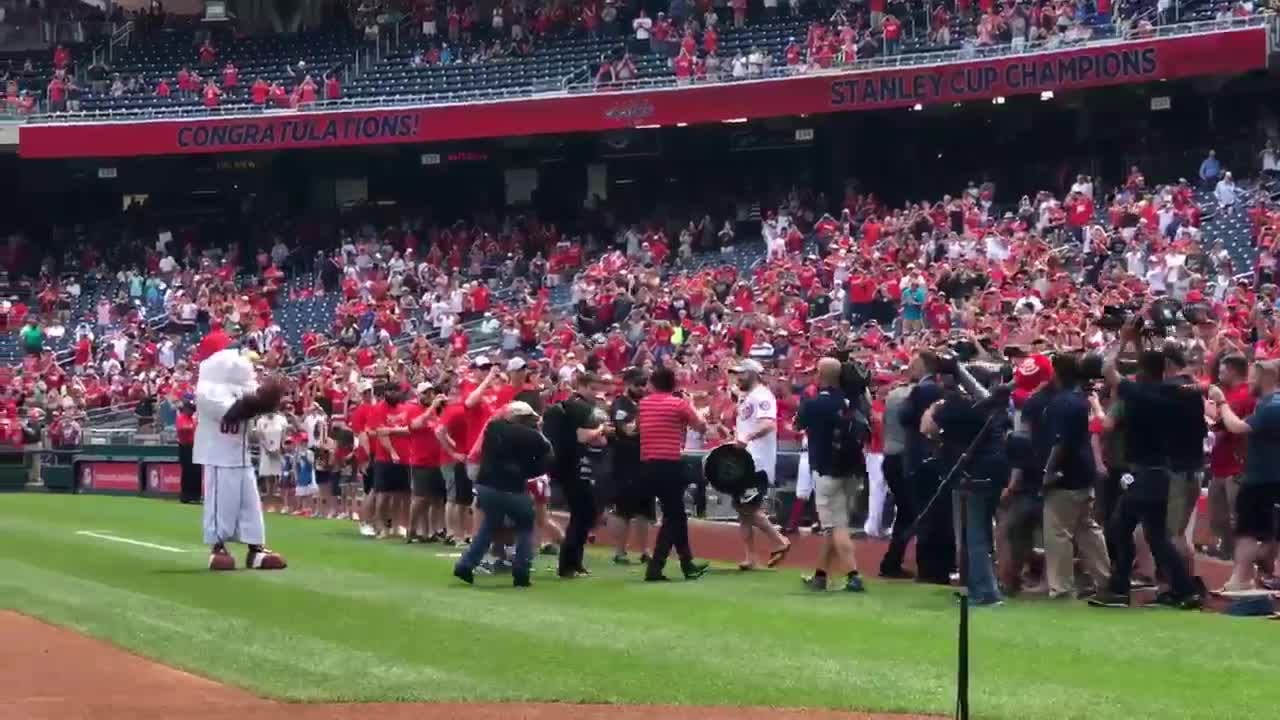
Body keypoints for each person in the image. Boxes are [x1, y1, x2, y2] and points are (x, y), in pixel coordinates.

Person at [1092, 322, 1199, 609]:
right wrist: (1139, 345)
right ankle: (1183, 589)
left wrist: (1123, 339)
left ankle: (1118, 590)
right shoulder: (1169, 392)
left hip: (1144, 474)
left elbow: (1107, 370)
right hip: (1160, 473)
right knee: (1156, 536)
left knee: (1119, 527)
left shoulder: (1138, 394)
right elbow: (1150, 370)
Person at [920, 356, 1008, 607]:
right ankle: (981, 587)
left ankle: (987, 593)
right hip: (994, 472)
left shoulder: (956, 407)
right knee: (981, 535)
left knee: (975, 537)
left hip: (972, 473)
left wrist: (936, 405)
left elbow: (927, 428)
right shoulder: (994, 406)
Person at [194, 349, 287, 571]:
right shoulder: (207, 390)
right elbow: (234, 411)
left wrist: (271, 396)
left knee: (251, 506)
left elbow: (259, 403)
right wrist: (263, 399)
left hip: (241, 454)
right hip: (219, 455)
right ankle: (218, 548)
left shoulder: (242, 386)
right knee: (220, 506)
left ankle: (256, 550)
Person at [453, 401, 551, 588]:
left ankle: (465, 564)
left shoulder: (493, 428)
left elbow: (492, 425)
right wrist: (530, 471)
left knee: (489, 526)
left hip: (487, 486)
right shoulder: (534, 437)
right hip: (514, 488)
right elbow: (548, 456)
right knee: (525, 527)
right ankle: (521, 572)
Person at [1036, 353, 1110, 599]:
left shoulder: (1062, 402)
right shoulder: (1079, 399)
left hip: (1065, 474)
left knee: (1058, 533)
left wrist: (1048, 472)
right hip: (1083, 471)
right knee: (1087, 528)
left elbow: (1060, 443)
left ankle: (1062, 588)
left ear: (1057, 373)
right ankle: (1106, 580)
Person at [1209, 359, 1280, 593]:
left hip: (1262, 478)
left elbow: (1237, 426)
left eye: (1253, 376)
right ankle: (1259, 571)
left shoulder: (1273, 406)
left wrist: (1221, 401)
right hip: (1265, 476)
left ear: (1267, 377)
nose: (1249, 380)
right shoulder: (1267, 404)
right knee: (1266, 531)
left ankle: (1241, 577)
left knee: (1247, 531)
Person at [796, 357, 866, 592]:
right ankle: (821, 575)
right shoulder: (854, 402)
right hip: (853, 469)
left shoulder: (814, 404)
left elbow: (798, 423)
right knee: (836, 523)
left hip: (826, 470)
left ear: (820, 374)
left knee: (836, 526)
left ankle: (853, 574)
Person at [639, 365, 710, 582]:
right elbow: (701, 426)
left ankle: (687, 563)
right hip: (669, 463)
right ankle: (656, 567)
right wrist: (689, 405)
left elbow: (638, 428)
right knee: (673, 517)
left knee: (676, 515)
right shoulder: (678, 404)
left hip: (648, 464)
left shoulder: (643, 404)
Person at [548, 372, 611, 579]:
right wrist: (602, 429)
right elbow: (584, 437)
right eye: (593, 389)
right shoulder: (581, 408)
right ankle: (568, 564)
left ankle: (574, 562)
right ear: (581, 386)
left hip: (565, 466)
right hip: (575, 468)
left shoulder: (566, 405)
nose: (596, 393)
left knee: (583, 514)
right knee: (583, 514)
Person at [729, 359, 791, 570]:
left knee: (747, 507)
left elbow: (768, 424)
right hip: (745, 458)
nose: (738, 377)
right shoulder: (747, 396)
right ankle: (749, 557)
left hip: (757, 461)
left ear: (754, 374)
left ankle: (779, 541)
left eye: (742, 374)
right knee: (742, 509)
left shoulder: (763, 396)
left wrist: (747, 437)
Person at [609, 368, 655, 564]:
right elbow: (628, 430)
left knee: (645, 509)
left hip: (645, 460)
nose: (643, 389)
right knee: (624, 510)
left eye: (644, 385)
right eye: (638, 385)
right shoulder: (621, 405)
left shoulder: (643, 403)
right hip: (625, 462)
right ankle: (620, 552)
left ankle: (645, 550)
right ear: (628, 384)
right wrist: (645, 418)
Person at [177, 399, 200, 504]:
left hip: (195, 447)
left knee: (196, 471)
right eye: (190, 409)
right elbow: (183, 428)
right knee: (187, 472)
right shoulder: (181, 417)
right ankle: (186, 496)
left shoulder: (192, 419)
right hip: (186, 447)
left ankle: (195, 496)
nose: (191, 411)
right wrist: (194, 426)